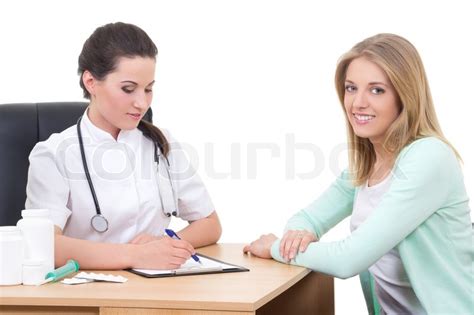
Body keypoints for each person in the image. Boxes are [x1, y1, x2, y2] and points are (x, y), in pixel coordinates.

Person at [243, 34, 472, 314]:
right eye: (351, 88)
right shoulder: (365, 166)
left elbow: (348, 260)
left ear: (406, 95)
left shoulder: (429, 157)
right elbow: (305, 219)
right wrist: (297, 235)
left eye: (377, 90)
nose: (358, 103)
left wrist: (277, 247)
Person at [25, 22, 221, 270]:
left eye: (148, 89)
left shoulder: (162, 142)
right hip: (87, 293)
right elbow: (44, 245)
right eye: (128, 89)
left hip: (157, 286)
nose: (142, 103)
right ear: (91, 82)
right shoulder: (53, 154)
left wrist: (162, 245)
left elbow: (210, 223)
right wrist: (136, 255)